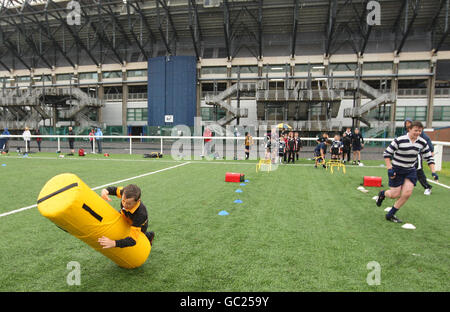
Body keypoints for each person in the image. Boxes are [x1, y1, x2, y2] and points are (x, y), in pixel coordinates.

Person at [376, 121, 438, 223]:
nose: (417, 133)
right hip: (396, 169)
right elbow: (387, 154)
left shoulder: (422, 142)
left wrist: (433, 172)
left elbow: (429, 158)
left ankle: (390, 214)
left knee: (407, 193)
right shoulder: (400, 140)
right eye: (415, 130)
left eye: (420, 131)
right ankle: (382, 194)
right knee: (394, 194)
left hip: (410, 170)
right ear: (409, 129)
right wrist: (389, 168)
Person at [98, 184, 155, 248]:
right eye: (123, 201)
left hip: (140, 224)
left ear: (137, 201)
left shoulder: (141, 215)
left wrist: (114, 243)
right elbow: (115, 190)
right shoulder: (124, 192)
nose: (124, 205)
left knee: (140, 237)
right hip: (125, 214)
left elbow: (132, 240)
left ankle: (149, 235)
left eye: (128, 203)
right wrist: (106, 191)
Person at [403, 118, 434, 195]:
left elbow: (427, 141)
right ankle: (406, 185)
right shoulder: (405, 133)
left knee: (418, 171)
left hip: (417, 155)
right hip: (407, 156)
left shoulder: (421, 134)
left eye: (409, 123)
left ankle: (427, 187)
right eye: (406, 123)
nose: (408, 124)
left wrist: (431, 150)